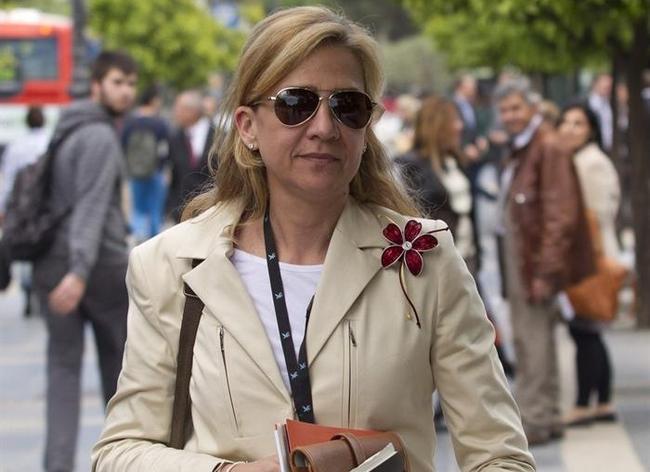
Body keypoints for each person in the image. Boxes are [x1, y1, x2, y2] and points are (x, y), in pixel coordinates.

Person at [92, 7, 534, 472]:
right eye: (296, 104)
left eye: (348, 106)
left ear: (367, 126)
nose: (324, 127)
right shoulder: (172, 264)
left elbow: (501, 455)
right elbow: (120, 452)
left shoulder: (424, 259)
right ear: (247, 126)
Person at [32, 50, 137, 472]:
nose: (126, 92)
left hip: (51, 265)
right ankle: (126, 462)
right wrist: (78, 270)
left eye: (131, 84)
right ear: (96, 86)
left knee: (62, 372)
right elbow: (90, 208)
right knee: (123, 380)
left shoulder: (66, 128)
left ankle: (57, 464)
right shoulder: (98, 136)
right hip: (96, 268)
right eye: (117, 82)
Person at [495, 78, 595, 445]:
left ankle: (536, 418)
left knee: (532, 339)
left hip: (533, 258)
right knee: (534, 338)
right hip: (527, 254)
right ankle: (546, 415)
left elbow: (559, 216)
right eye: (504, 110)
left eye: (516, 108)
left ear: (533, 107)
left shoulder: (546, 146)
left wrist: (545, 271)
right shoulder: (527, 146)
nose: (510, 116)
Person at [557, 102, 622, 426]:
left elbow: (594, 216)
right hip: (590, 256)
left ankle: (585, 404)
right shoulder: (580, 159)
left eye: (578, 124)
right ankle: (603, 402)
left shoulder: (590, 163)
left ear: (591, 130)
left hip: (592, 258)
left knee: (585, 331)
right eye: (566, 122)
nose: (569, 129)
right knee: (590, 331)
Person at [395, 96, 476, 265]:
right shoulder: (410, 165)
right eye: (454, 120)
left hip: (466, 255)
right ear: (437, 126)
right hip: (436, 261)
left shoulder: (455, 160)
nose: (460, 126)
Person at [0, 106, 50, 316]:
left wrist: (3, 207)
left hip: (20, 205)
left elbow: (8, 178)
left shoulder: (16, 146)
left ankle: (27, 288)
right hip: (44, 206)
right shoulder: (49, 142)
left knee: (22, 244)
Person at [122, 84, 171, 241]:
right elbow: (165, 148)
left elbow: (123, 144)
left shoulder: (130, 121)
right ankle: (154, 241)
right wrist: (163, 168)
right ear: (154, 100)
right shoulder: (159, 123)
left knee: (138, 208)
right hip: (155, 171)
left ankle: (138, 238)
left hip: (135, 171)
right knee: (155, 208)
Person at [167, 90, 215, 222]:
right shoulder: (175, 137)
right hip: (181, 213)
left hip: (211, 212)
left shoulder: (219, 136)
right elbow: (174, 174)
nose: (175, 112)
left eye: (179, 108)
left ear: (192, 111)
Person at [588, 74, 614, 152]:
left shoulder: (611, 103)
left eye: (609, 86)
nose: (608, 88)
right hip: (594, 147)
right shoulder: (587, 103)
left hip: (610, 148)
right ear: (595, 84)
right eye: (605, 86)